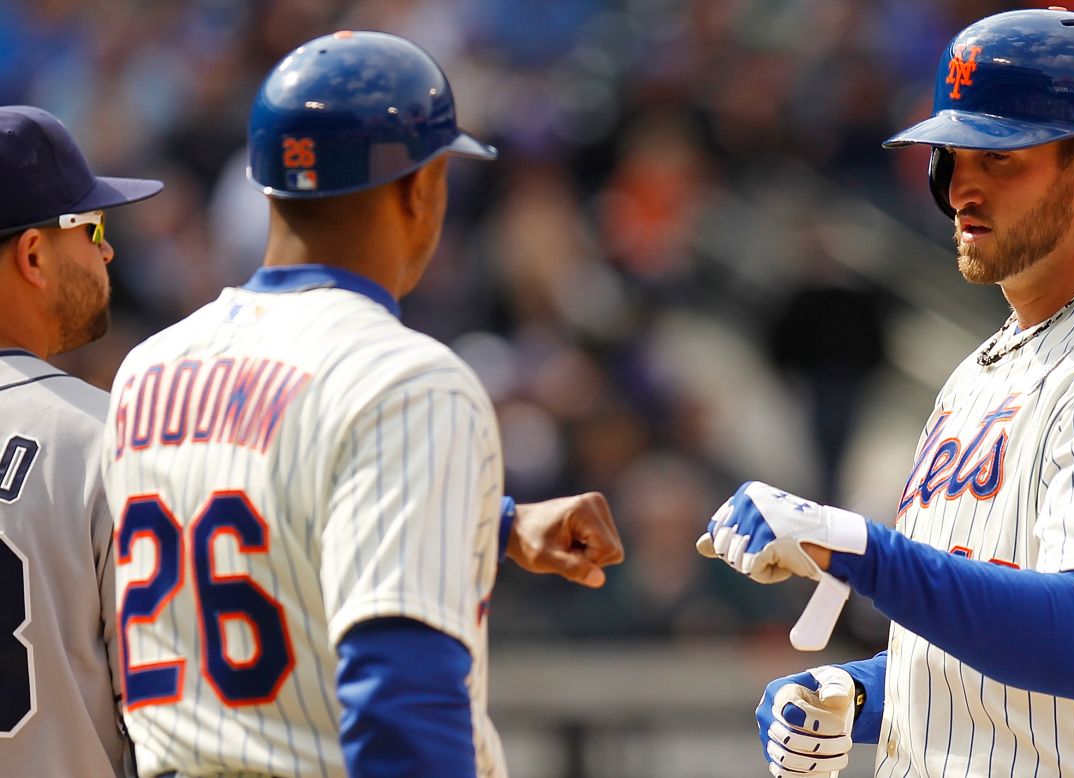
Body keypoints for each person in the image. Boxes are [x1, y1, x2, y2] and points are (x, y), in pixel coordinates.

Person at [698, 9, 1074, 777]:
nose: (961, 190)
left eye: (1001, 157)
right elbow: (995, 659)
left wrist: (859, 550)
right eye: (951, 157)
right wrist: (863, 692)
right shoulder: (990, 364)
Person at [101, 32, 623, 778]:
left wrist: (489, 521)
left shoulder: (149, 367)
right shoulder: (409, 380)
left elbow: (264, 505)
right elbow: (398, 701)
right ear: (419, 189)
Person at [0, 106, 163, 777]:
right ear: (34, 254)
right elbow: (174, 733)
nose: (107, 248)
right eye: (91, 227)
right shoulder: (105, 440)